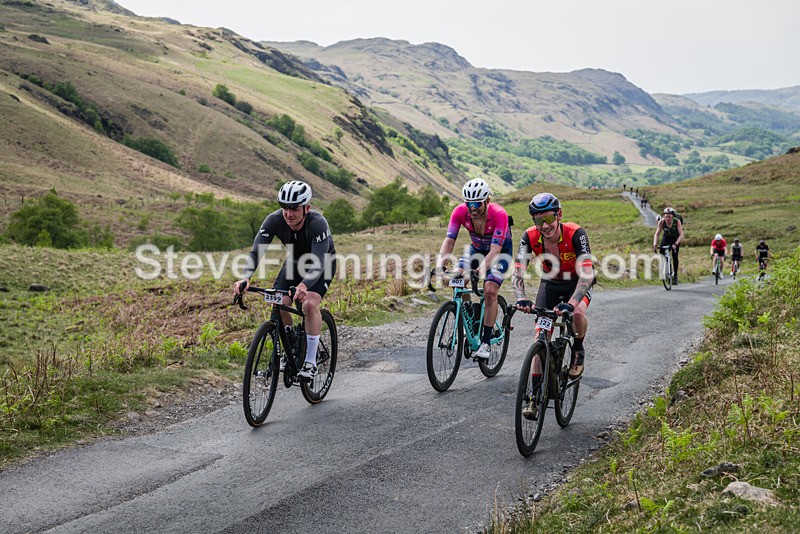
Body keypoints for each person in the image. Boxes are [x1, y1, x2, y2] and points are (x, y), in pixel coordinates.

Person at [234, 181, 336, 380]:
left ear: (307, 208)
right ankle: (289, 340)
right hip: (295, 262)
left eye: (294, 209)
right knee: (278, 302)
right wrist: (245, 277)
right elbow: (256, 251)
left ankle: (310, 361)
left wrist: (304, 285)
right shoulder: (273, 220)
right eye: (285, 208)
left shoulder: (317, 223)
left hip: (322, 263)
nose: (288, 214)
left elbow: (318, 262)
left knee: (308, 304)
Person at [512, 192, 594, 378]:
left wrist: (571, 304)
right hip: (550, 283)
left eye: (549, 218)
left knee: (578, 314)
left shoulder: (576, 233)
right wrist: (521, 298)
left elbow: (586, 276)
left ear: (559, 215)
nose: (546, 226)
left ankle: (578, 349)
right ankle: (533, 396)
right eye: (539, 221)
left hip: (577, 282)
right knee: (541, 334)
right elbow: (518, 271)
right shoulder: (529, 236)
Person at [435, 178, 513, 361]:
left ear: (487, 201)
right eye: (468, 203)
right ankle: (470, 316)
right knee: (458, 280)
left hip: (500, 252)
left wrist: (478, 271)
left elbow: (495, 250)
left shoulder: (499, 214)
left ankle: (485, 341)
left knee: (490, 290)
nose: (473, 208)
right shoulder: (460, 212)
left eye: (477, 203)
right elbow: (449, 241)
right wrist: (439, 265)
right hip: (476, 249)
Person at [652, 207, 684, 284]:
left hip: (675, 238)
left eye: (669, 216)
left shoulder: (677, 221)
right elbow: (657, 234)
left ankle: (675, 275)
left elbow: (681, 234)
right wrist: (655, 244)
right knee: (662, 254)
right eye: (666, 216)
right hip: (666, 238)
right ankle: (668, 269)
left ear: (673, 216)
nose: (667, 218)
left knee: (674, 256)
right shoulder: (661, 222)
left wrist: (676, 244)